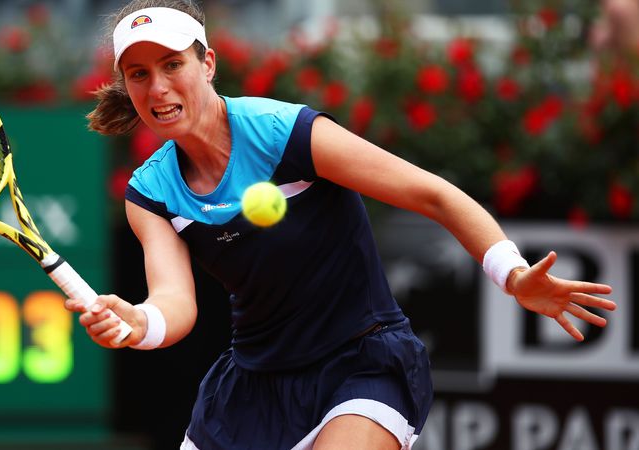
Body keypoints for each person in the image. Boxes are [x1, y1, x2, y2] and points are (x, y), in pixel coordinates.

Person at [65, 1, 617, 448]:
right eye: (139, 74)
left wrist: (514, 275)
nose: (157, 87)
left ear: (207, 64)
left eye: (173, 65)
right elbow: (175, 304)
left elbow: (435, 195)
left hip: (363, 361)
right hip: (254, 384)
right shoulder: (151, 191)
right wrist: (138, 322)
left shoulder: (286, 133)